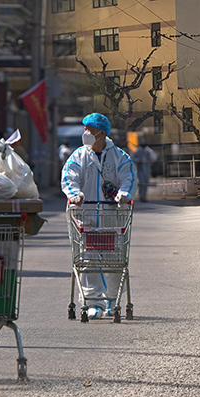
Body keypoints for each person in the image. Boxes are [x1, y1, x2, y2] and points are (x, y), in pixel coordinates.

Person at [61, 113, 137, 319]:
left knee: (114, 259)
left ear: (102, 133)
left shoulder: (119, 157)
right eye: (85, 129)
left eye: (90, 130)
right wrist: (74, 195)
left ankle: (113, 300)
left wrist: (123, 195)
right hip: (84, 219)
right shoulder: (78, 156)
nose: (85, 133)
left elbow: (127, 178)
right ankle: (93, 302)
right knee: (87, 260)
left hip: (112, 219)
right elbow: (70, 177)